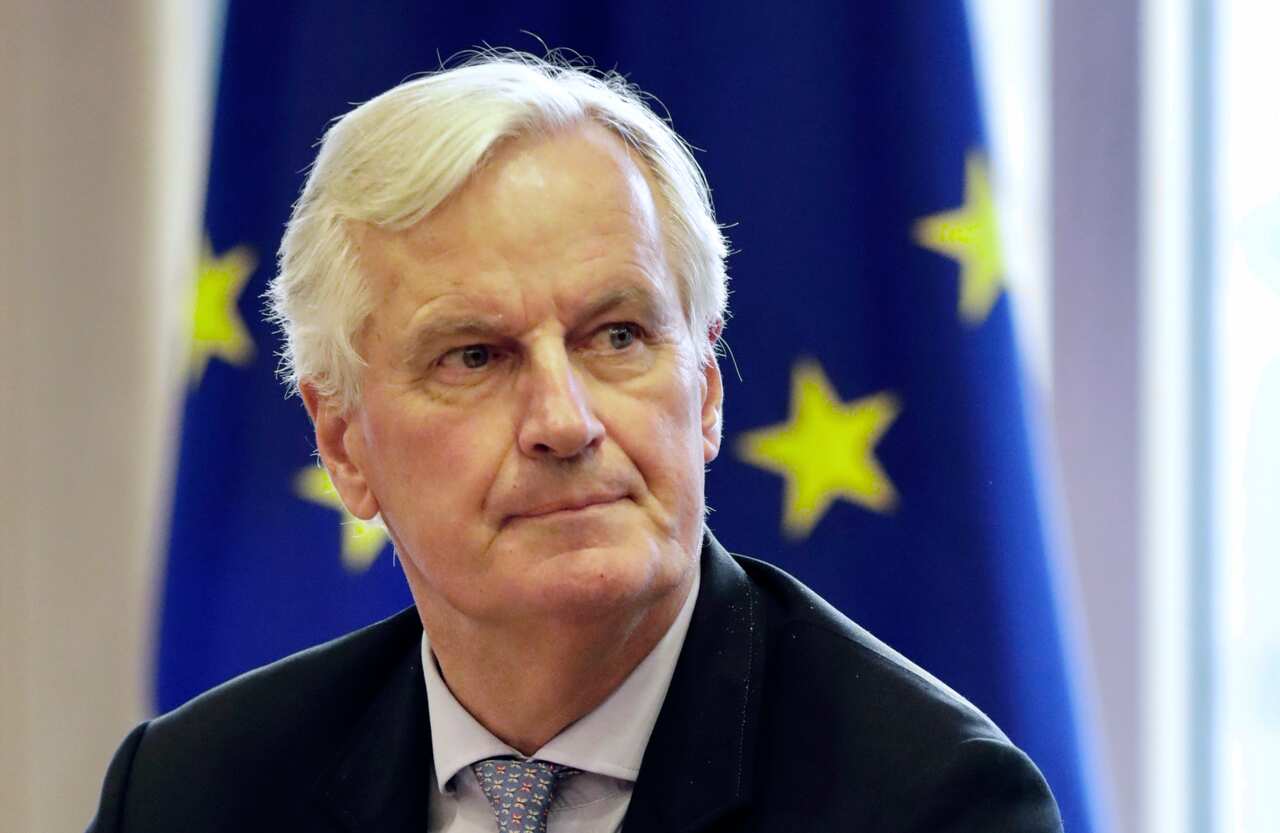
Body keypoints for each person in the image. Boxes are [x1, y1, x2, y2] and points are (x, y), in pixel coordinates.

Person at [88, 52, 1063, 833]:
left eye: (617, 336)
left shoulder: (930, 801)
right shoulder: (190, 793)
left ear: (708, 391)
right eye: (474, 355)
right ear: (342, 443)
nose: (564, 419)